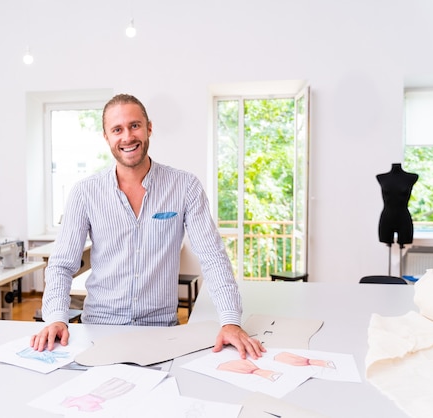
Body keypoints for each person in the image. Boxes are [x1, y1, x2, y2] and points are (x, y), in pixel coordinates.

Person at [30, 93, 265, 360]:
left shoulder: (185, 187)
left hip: (162, 332)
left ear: (149, 127)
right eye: (117, 129)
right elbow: (61, 265)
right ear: (106, 137)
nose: (127, 137)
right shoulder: (85, 193)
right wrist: (56, 318)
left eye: (134, 126)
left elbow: (213, 257)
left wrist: (230, 320)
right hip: (98, 330)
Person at [376, 163, 419, 247]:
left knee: (404, 242)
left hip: (404, 218)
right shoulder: (381, 177)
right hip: (386, 218)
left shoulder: (411, 177)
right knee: (386, 241)